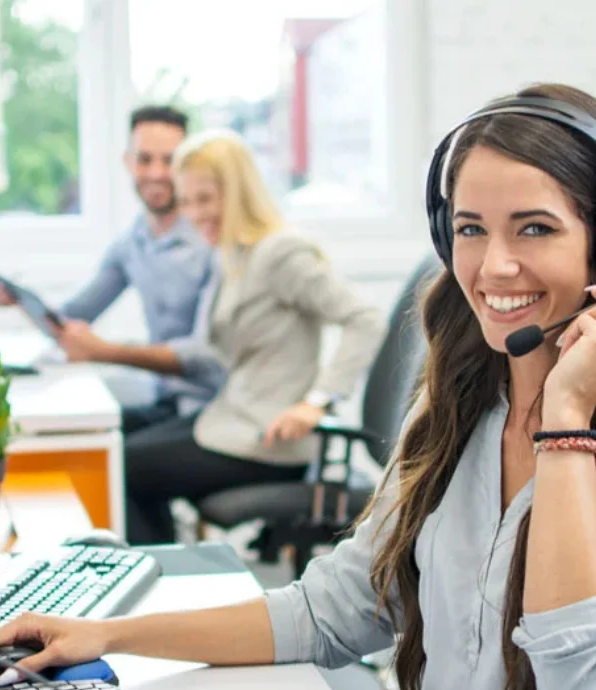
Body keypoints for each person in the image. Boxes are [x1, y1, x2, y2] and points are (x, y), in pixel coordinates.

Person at [0, 83, 596, 690]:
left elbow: (580, 682)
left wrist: (568, 421)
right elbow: (334, 609)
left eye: (534, 228)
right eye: (470, 229)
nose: (494, 266)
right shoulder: (461, 411)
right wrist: (110, 636)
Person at [106, 129, 386, 545]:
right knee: (114, 451)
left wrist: (317, 401)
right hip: (231, 419)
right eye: (185, 201)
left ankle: (159, 588)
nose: (194, 213)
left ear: (238, 193)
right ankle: (167, 580)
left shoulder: (280, 253)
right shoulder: (234, 253)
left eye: (205, 199)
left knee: (122, 470)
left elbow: (364, 318)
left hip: (268, 440)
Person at [0, 106, 223, 432]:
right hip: (162, 400)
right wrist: (20, 301)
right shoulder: (134, 241)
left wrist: (104, 351)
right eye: (145, 160)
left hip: (207, 409)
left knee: (114, 462)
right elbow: (76, 315)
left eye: (169, 160)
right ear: (129, 163)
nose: (157, 173)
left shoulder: (210, 241)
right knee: (65, 438)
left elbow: (205, 355)